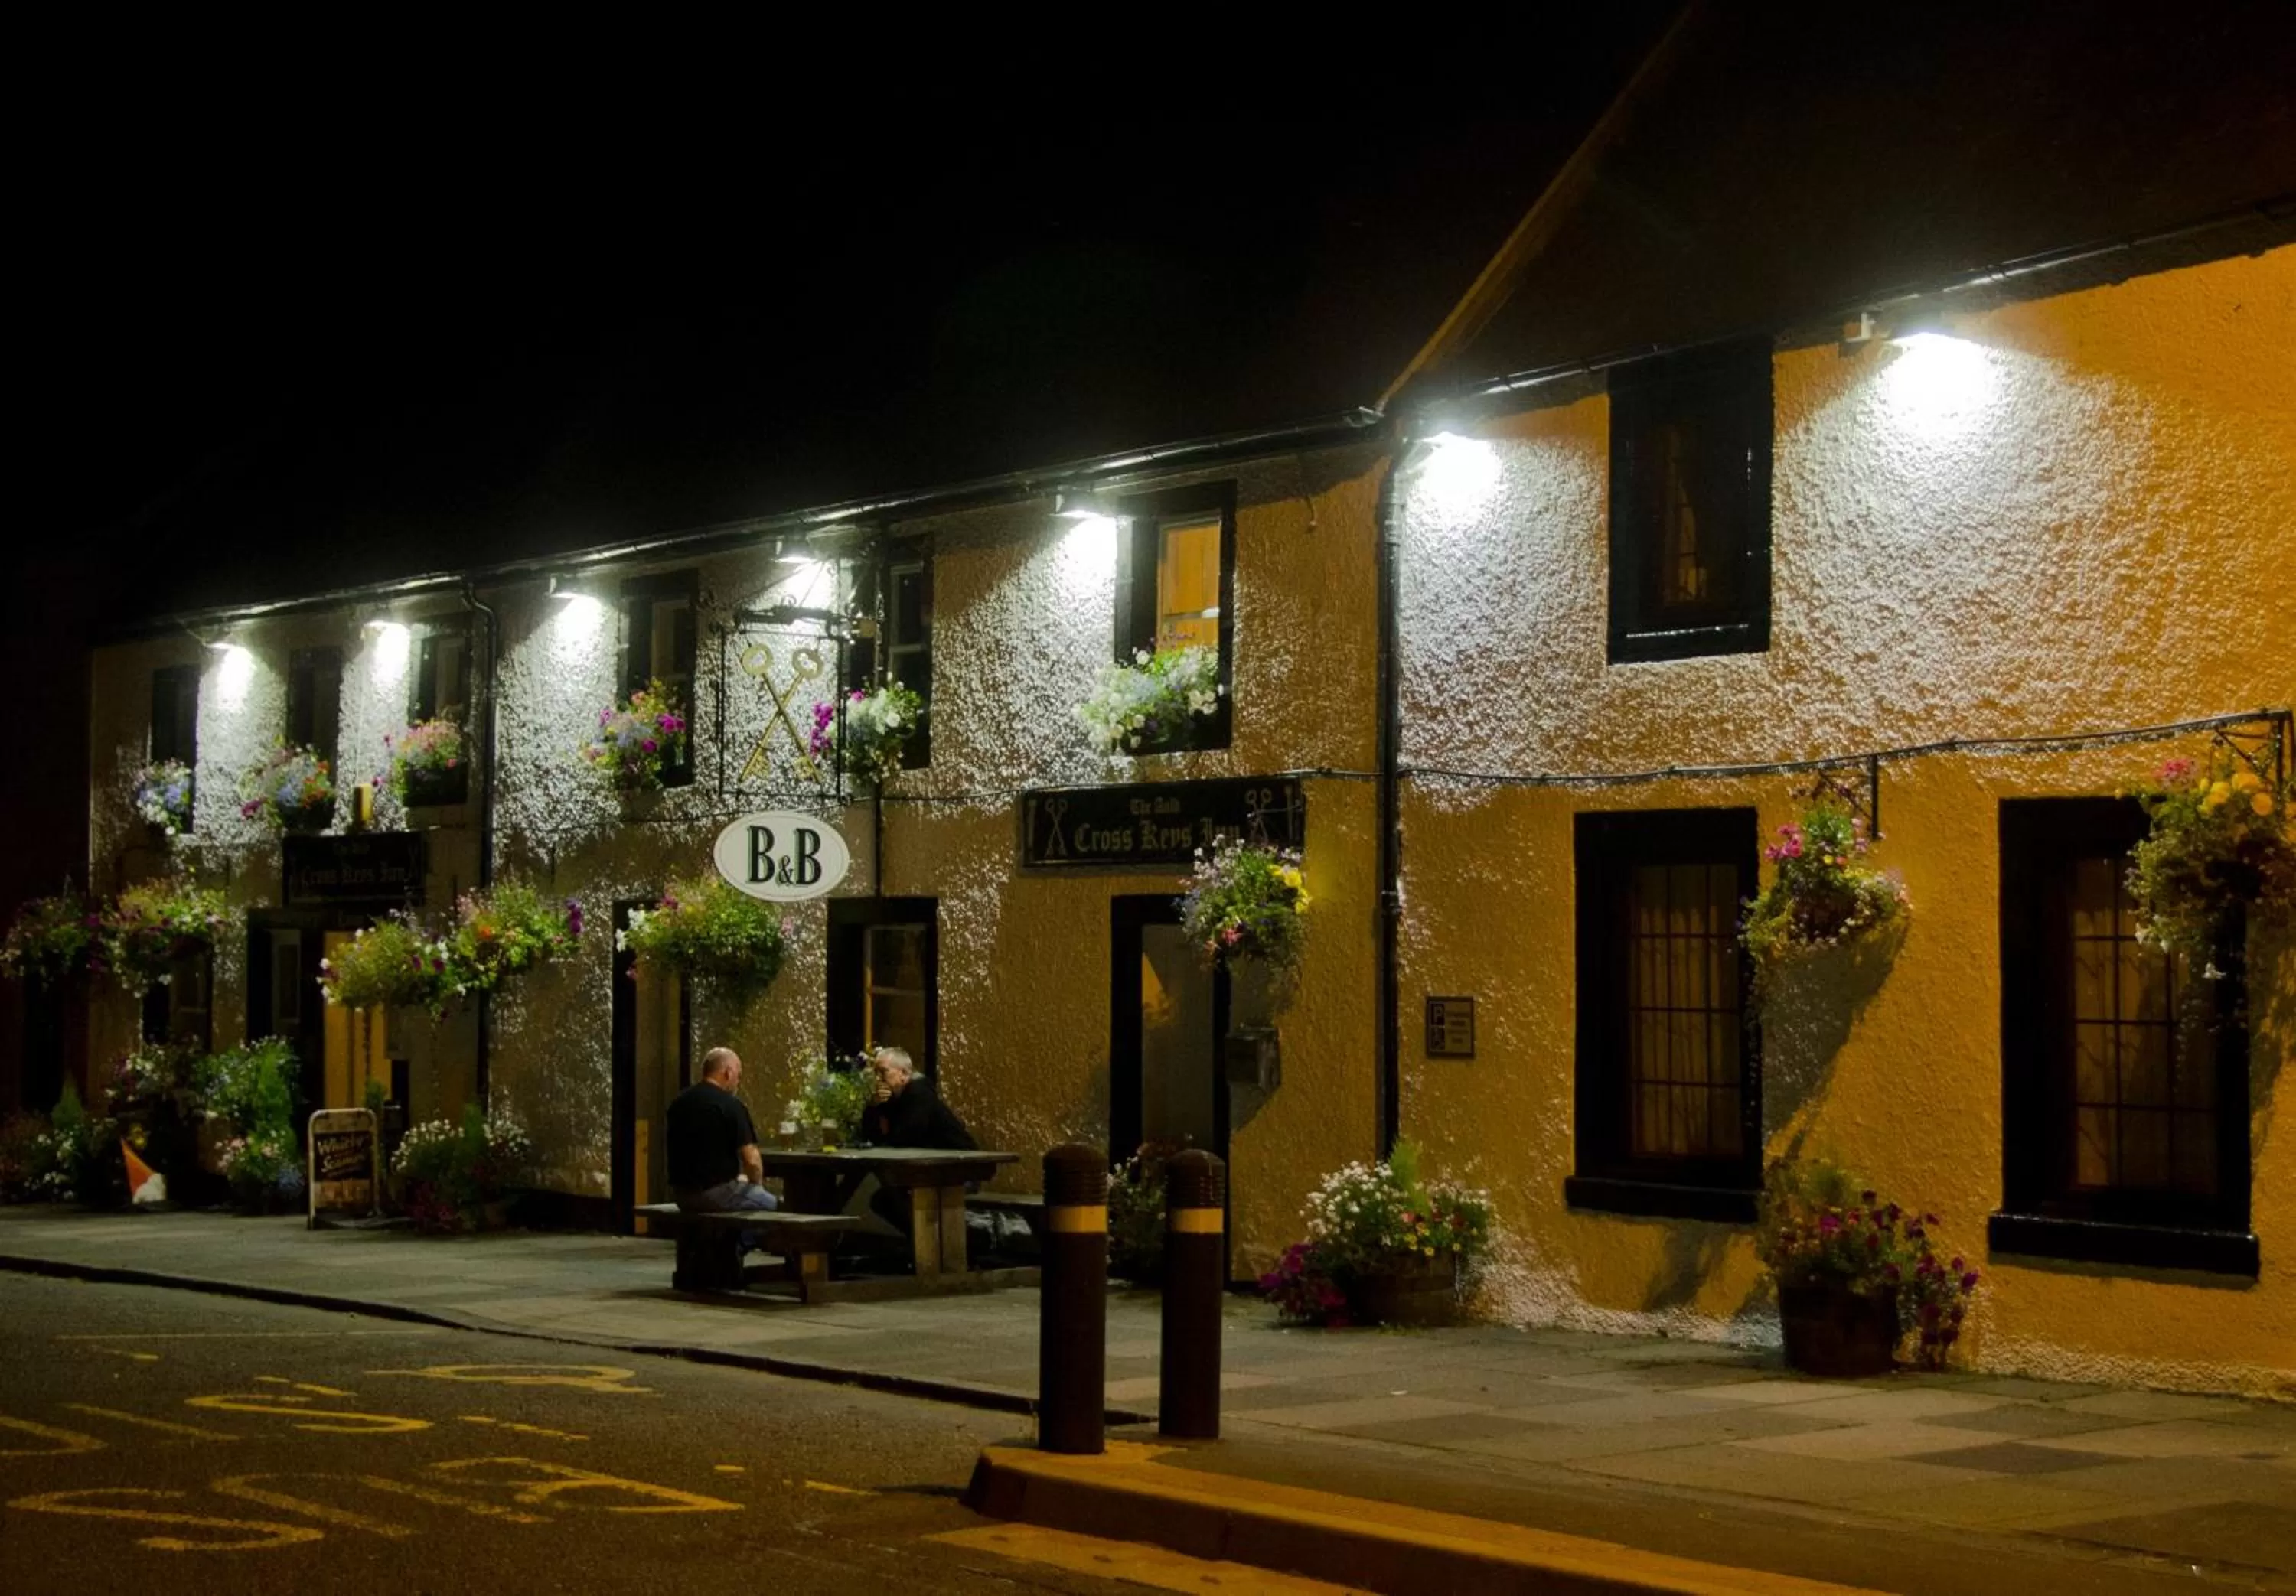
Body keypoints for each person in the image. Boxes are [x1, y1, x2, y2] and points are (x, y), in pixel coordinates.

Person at [667, 1047, 778, 1251]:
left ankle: (718, 1246)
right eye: (738, 1076)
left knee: (741, 1193)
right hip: (715, 1194)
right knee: (773, 1207)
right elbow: (752, 1161)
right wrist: (756, 1187)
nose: (738, 1082)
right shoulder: (731, 1105)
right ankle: (734, 1246)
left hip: (682, 1195)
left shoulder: (679, 1103)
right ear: (727, 1073)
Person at [861, 1047, 974, 1236]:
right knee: (886, 1198)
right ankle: (925, 1243)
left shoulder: (918, 1094)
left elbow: (906, 1137)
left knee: (890, 1199)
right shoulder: (898, 1098)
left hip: (958, 1170)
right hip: (931, 1169)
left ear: (904, 1074)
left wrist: (884, 1141)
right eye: (876, 1073)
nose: (878, 1078)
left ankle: (933, 1243)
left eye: (883, 1072)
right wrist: (873, 1106)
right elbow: (871, 1134)